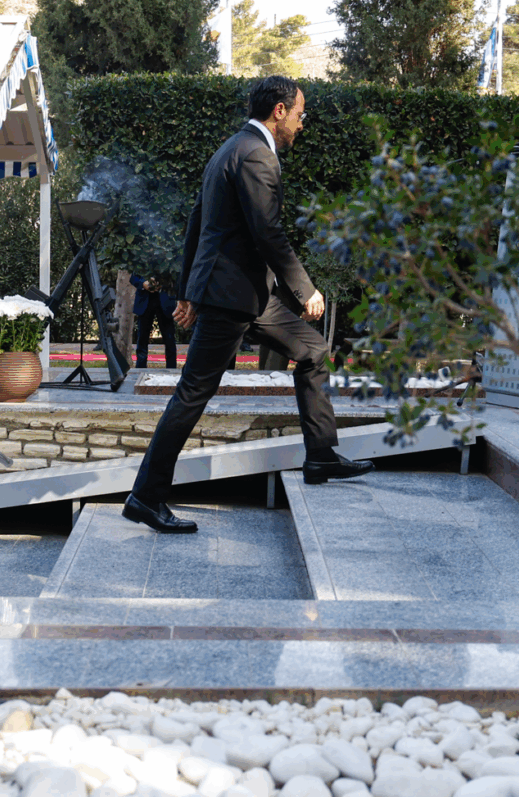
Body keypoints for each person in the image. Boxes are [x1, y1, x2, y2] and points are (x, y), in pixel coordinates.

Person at [122, 77, 373, 535]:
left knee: (313, 352)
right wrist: (306, 290)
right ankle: (145, 496)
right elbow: (267, 232)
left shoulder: (230, 148)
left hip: (247, 297)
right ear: (279, 111)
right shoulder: (256, 154)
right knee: (192, 393)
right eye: (299, 114)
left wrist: (188, 292)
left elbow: (198, 225)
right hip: (231, 298)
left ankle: (320, 455)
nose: (301, 123)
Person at [131, 272, 179, 370]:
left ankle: (172, 370)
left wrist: (161, 282)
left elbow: (176, 275)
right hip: (144, 301)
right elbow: (133, 277)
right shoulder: (140, 261)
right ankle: (140, 369)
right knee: (142, 339)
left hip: (165, 301)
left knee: (169, 339)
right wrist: (143, 284)